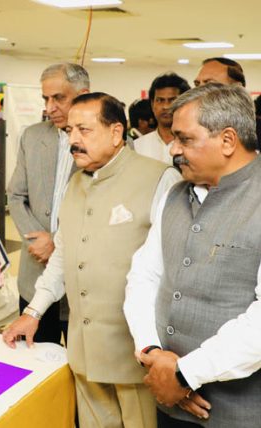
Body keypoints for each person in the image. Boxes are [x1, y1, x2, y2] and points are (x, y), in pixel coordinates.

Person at [4, 92, 180, 428]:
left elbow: (172, 270)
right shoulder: (75, 183)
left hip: (134, 353)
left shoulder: (160, 179)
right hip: (83, 350)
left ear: (116, 133)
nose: (73, 140)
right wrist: (33, 312)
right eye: (70, 131)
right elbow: (63, 256)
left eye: (84, 130)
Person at [124, 83, 261, 428]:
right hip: (169, 401)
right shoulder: (174, 193)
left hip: (239, 412)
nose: (172, 149)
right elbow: (144, 275)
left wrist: (185, 374)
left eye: (184, 139)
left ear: (228, 141)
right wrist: (154, 356)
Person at [7, 63, 89, 345]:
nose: (50, 107)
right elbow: (16, 196)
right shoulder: (32, 137)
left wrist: (57, 243)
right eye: (46, 99)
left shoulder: (106, 144)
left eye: (59, 98)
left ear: (83, 95)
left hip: (81, 285)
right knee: (35, 360)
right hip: (34, 273)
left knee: (81, 370)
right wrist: (37, 239)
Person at [134, 73, 190, 164]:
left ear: (185, 103)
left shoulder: (193, 144)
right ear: (152, 105)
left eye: (172, 100)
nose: (166, 106)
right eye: (160, 100)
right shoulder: (137, 146)